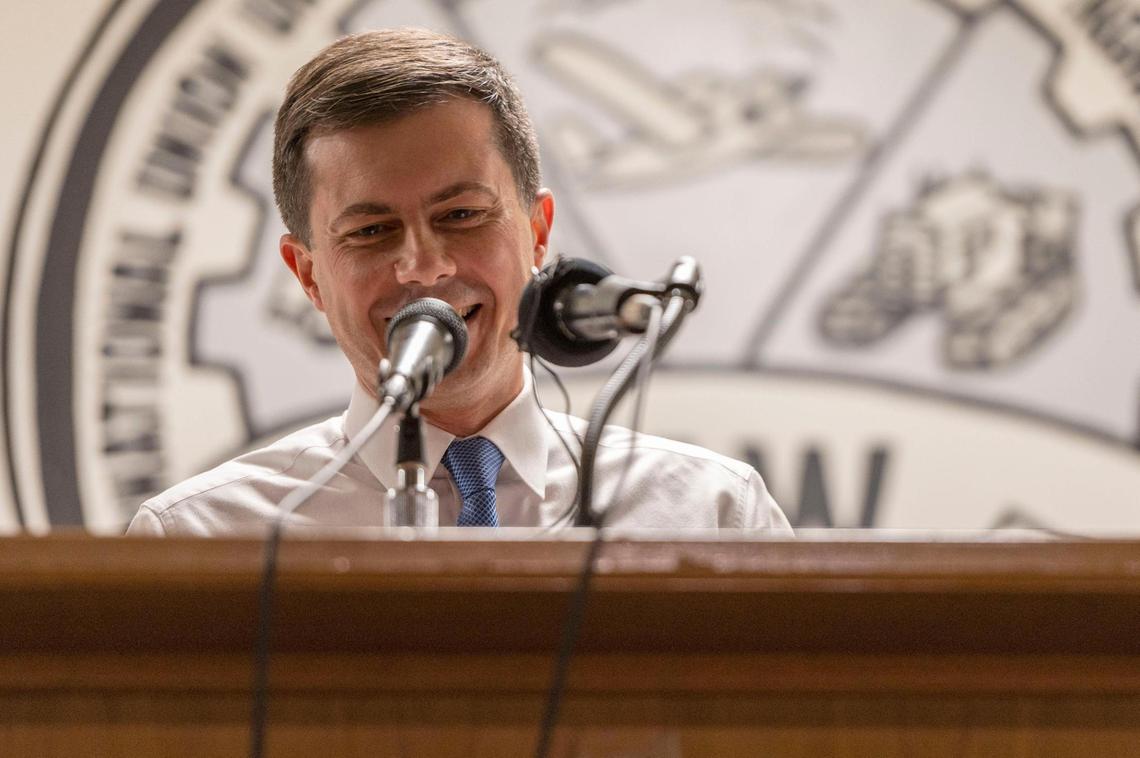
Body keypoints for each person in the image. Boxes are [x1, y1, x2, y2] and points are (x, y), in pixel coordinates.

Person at [126, 29, 791, 536]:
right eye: (371, 231)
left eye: (462, 215)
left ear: (537, 232)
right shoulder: (202, 537)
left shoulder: (712, 513)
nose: (423, 266)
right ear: (308, 275)